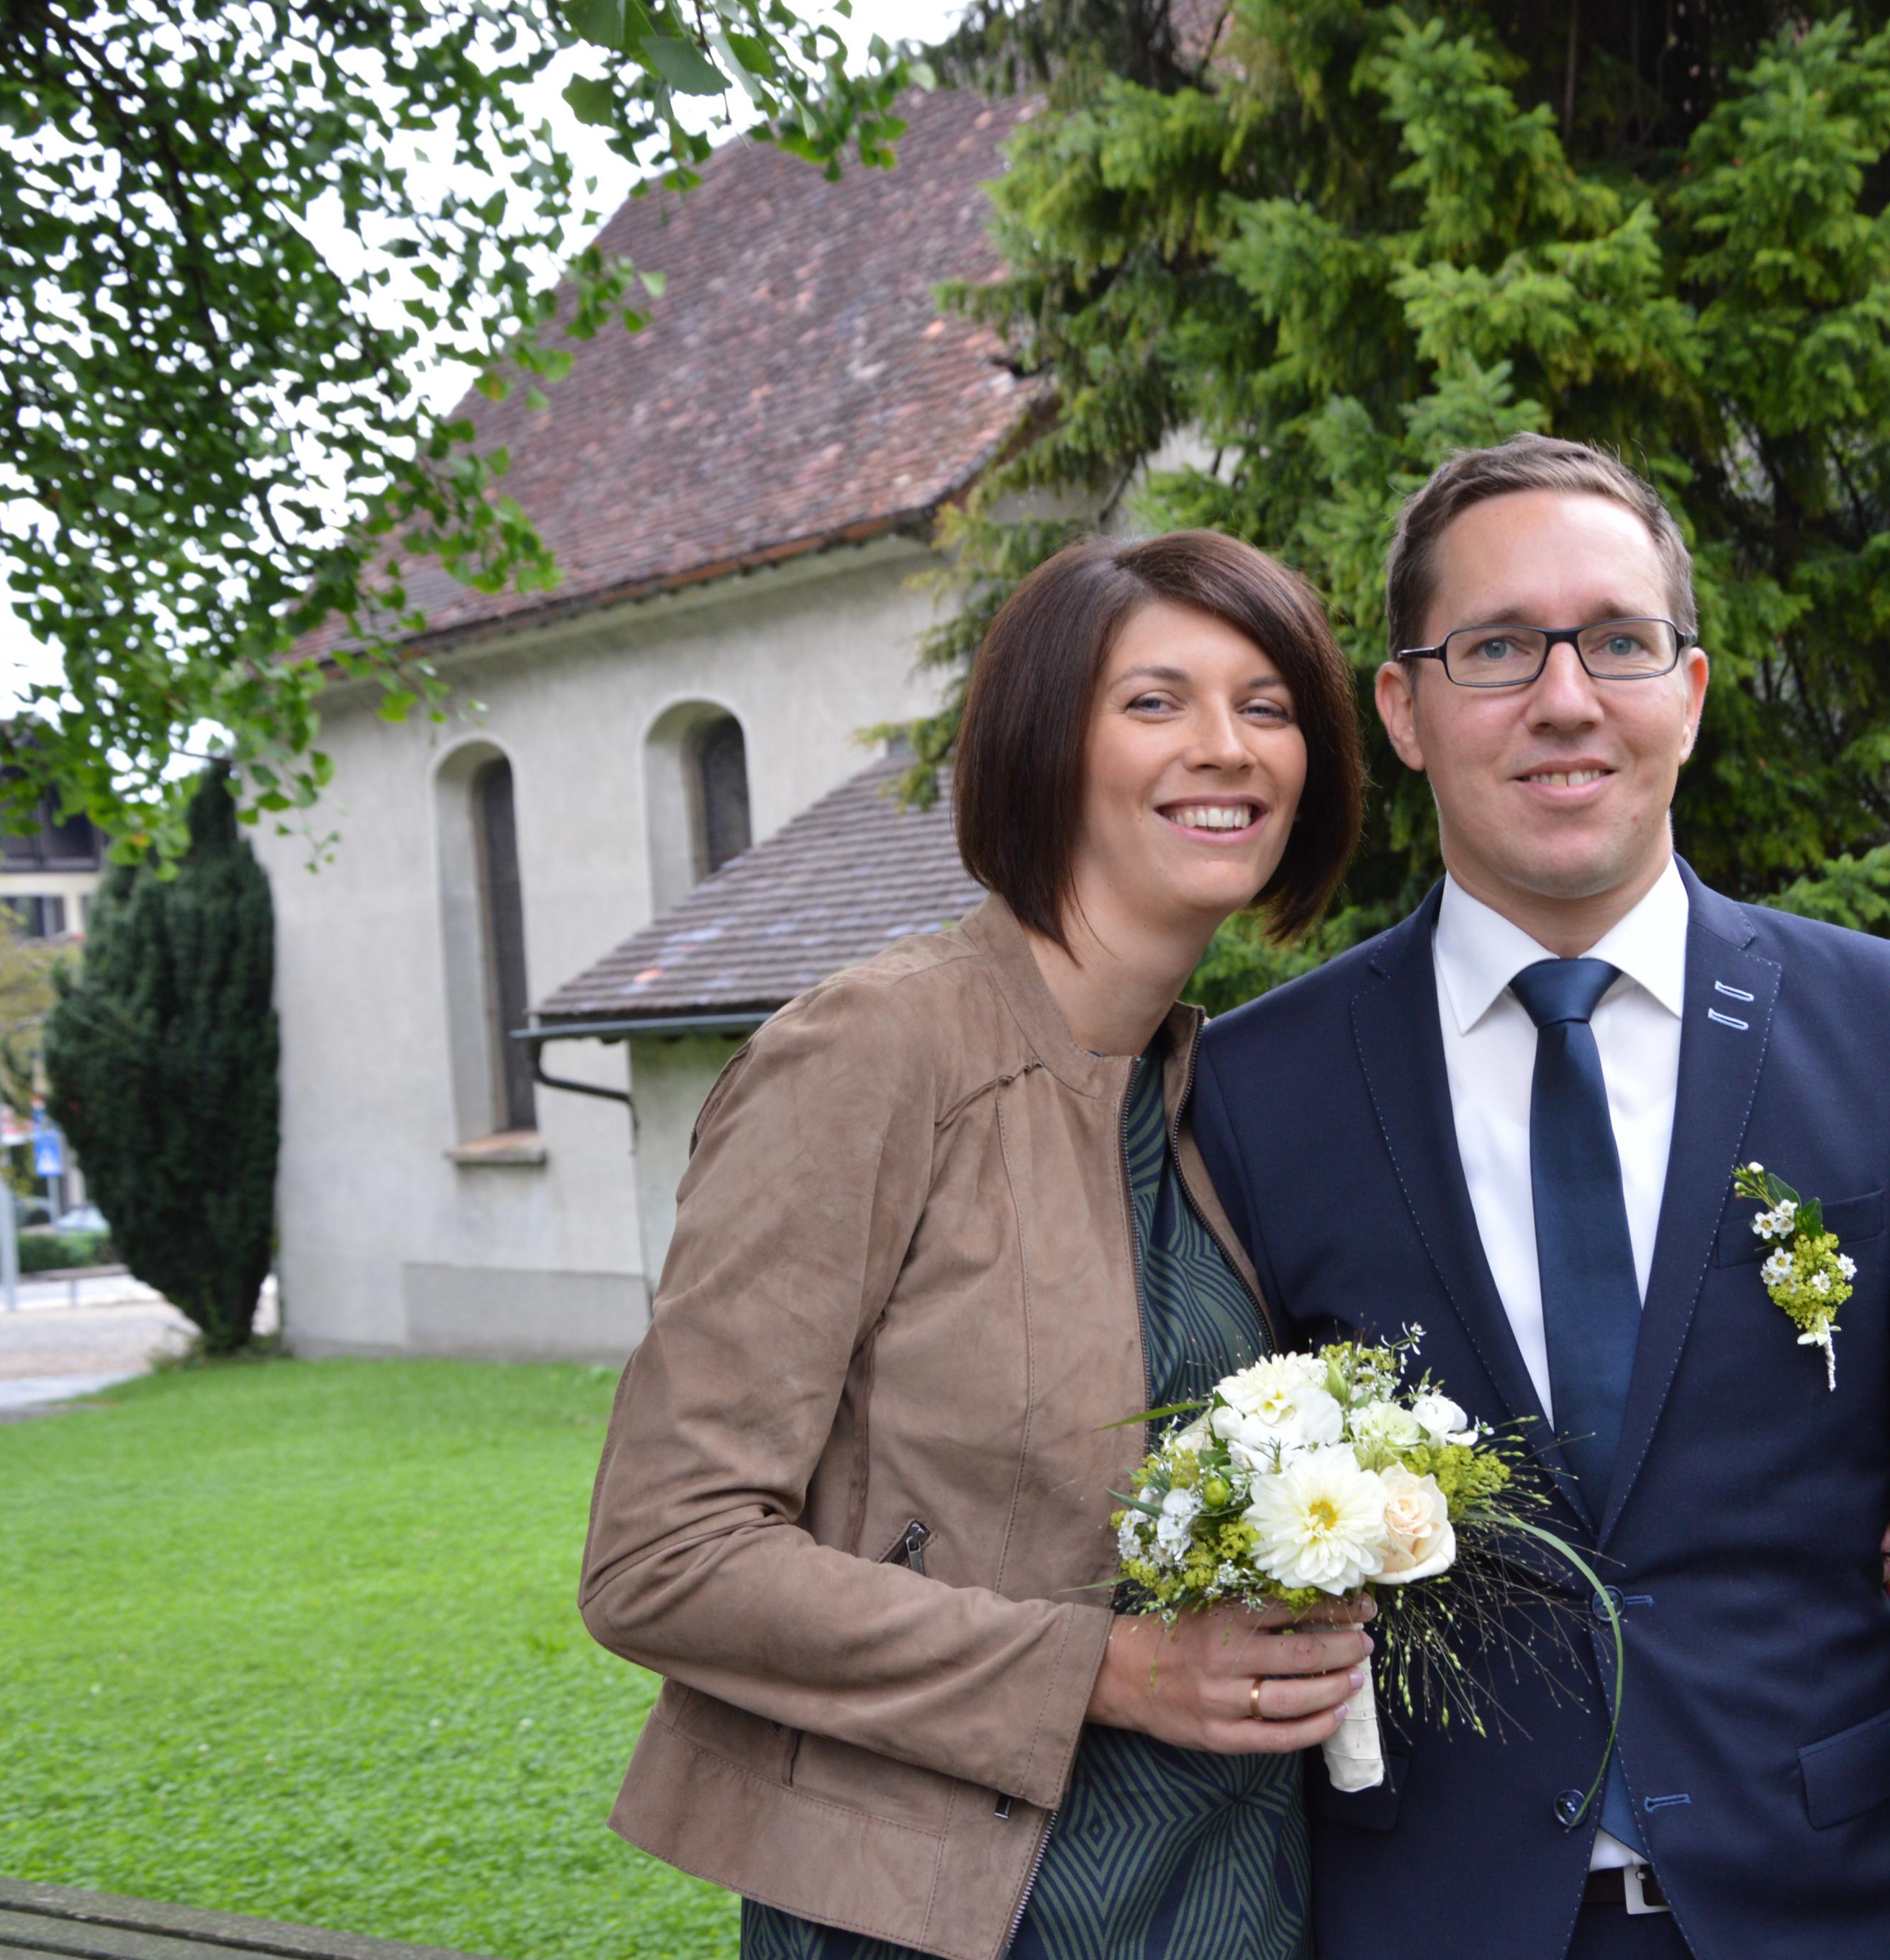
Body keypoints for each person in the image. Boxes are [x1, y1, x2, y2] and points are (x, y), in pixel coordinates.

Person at [1190, 435, 1890, 1960]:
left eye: (1618, 642)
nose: (1566, 698)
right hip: (1428, 1920)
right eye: (1497, 648)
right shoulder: (1254, 1087)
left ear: (1686, 693)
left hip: (1835, 1913)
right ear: (1404, 710)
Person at [578, 530, 1375, 1960]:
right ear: (1040, 743)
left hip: (1232, 1905)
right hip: (942, 1915)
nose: (1228, 746)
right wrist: (1103, 1669)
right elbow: (665, 1555)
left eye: (1267, 707)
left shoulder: (1219, 1095)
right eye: (1154, 701)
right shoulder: (875, 1052)